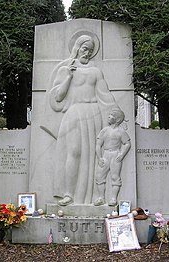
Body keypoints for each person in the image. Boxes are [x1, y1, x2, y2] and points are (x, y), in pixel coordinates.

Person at [42, 34, 119, 206]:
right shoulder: (65, 69)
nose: (88, 53)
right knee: (74, 152)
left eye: (91, 51)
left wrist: (117, 114)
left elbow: (104, 95)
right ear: (77, 48)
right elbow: (58, 97)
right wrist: (69, 76)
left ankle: (95, 196)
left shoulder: (96, 72)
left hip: (93, 114)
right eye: (85, 49)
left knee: (93, 154)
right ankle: (68, 194)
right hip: (74, 114)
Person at [94, 108, 131, 206]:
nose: (109, 117)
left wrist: (122, 154)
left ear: (117, 119)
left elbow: (127, 143)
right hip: (105, 155)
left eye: (111, 116)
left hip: (115, 155)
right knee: (99, 177)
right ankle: (101, 198)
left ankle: (113, 199)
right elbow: (98, 145)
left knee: (115, 177)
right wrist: (99, 157)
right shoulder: (104, 130)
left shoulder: (121, 131)